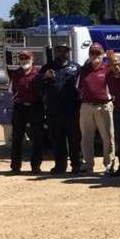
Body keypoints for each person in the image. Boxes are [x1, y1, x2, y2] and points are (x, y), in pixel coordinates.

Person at [37, 43, 82, 174]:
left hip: (72, 110)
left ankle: (76, 165)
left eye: (64, 51)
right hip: (53, 110)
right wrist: (44, 77)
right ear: (55, 52)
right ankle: (60, 165)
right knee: (57, 139)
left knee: (74, 138)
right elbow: (36, 85)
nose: (61, 53)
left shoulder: (76, 67)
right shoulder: (47, 67)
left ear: (68, 52)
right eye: (58, 51)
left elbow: (82, 86)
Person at [77, 42, 115, 174]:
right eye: (92, 53)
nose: (95, 55)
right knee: (86, 137)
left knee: (108, 137)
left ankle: (109, 165)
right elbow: (79, 88)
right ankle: (88, 165)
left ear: (102, 54)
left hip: (103, 106)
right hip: (86, 106)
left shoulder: (107, 69)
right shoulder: (84, 69)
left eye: (98, 53)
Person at [9, 51, 44, 173]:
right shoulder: (16, 73)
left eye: (26, 58)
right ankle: (15, 166)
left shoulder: (39, 72)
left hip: (35, 107)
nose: (24, 60)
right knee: (17, 137)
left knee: (37, 137)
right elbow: (12, 90)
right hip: (20, 108)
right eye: (22, 58)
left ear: (32, 59)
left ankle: (35, 166)